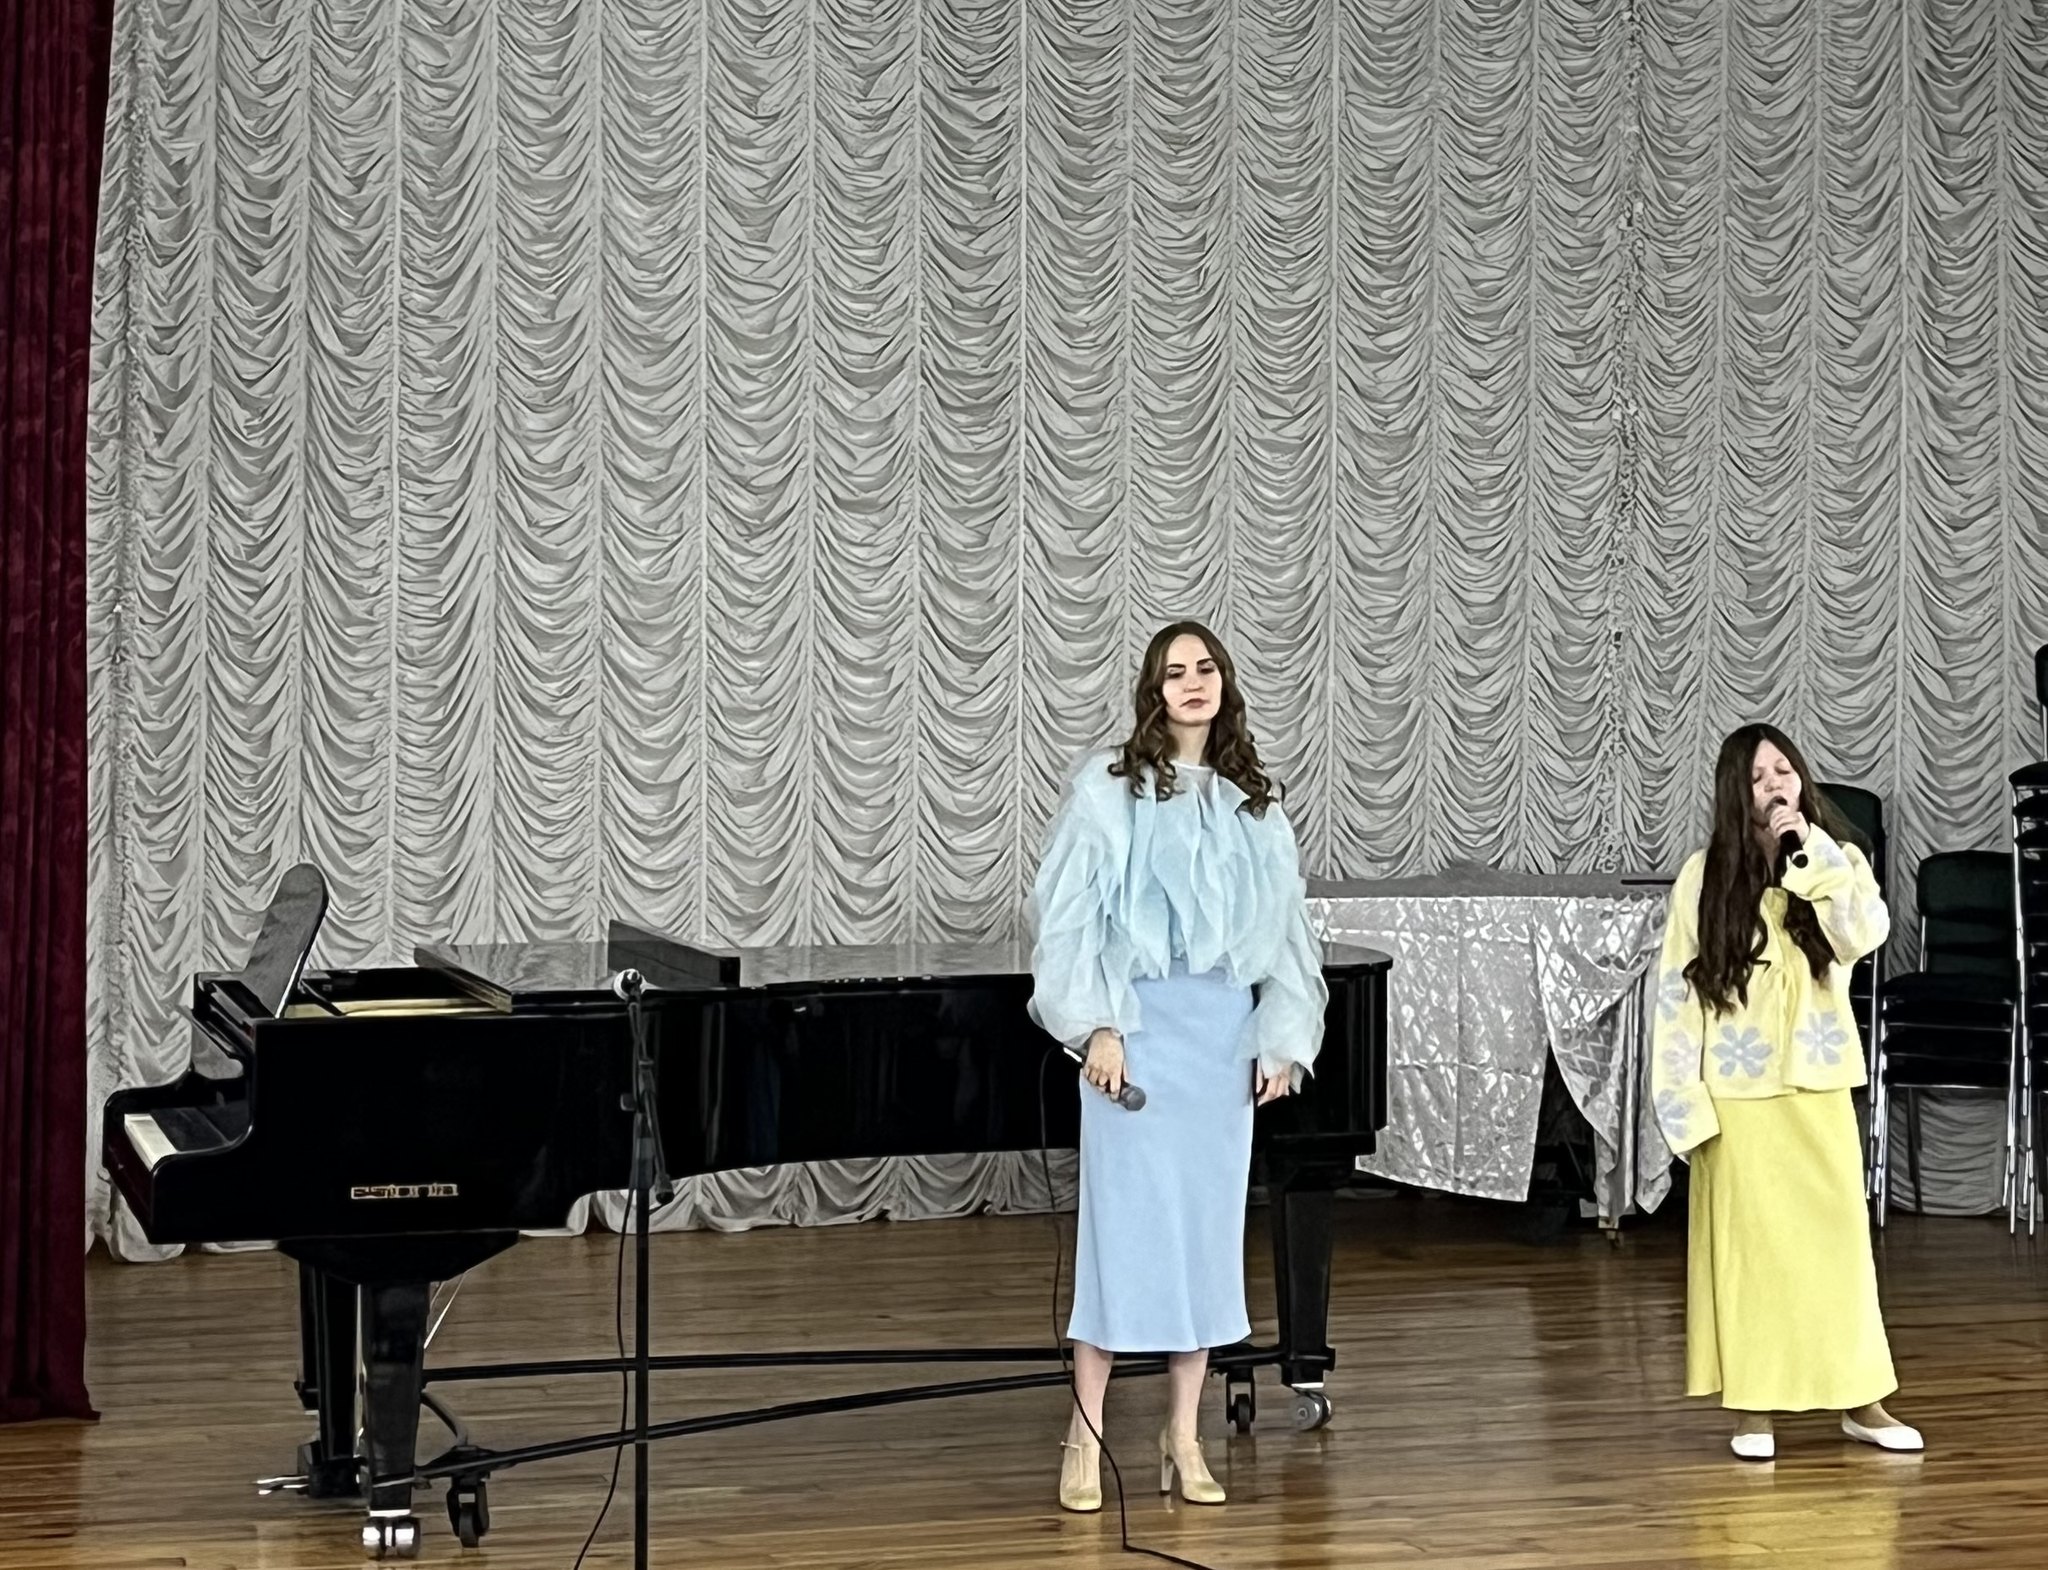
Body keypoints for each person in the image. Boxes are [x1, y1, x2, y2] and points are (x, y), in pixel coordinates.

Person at [1027, 620, 1327, 1512]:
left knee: (1204, 1240)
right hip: (1139, 1032)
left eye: (1204, 668)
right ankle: (1084, 1438)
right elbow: (1069, 920)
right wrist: (1099, 1028)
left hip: (1218, 1038)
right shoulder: (1109, 790)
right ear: (1152, 692)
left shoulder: (1254, 804)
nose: (1192, 682)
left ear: (1223, 683)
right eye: (1173, 672)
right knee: (1120, 1240)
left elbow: (1289, 932)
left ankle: (1182, 1437)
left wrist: (1282, 1038)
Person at [1650, 722, 1921, 1460]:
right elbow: (1675, 998)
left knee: (1839, 1250)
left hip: (1818, 1083)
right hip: (1737, 1097)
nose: (1776, 786)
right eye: (1759, 777)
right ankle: (1754, 1409)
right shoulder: (1703, 877)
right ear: (1735, 794)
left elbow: (1865, 934)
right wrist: (1682, 1105)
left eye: (1785, 771)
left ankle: (1862, 1401)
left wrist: (1813, 858)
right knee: (1751, 1259)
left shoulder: (1836, 862)